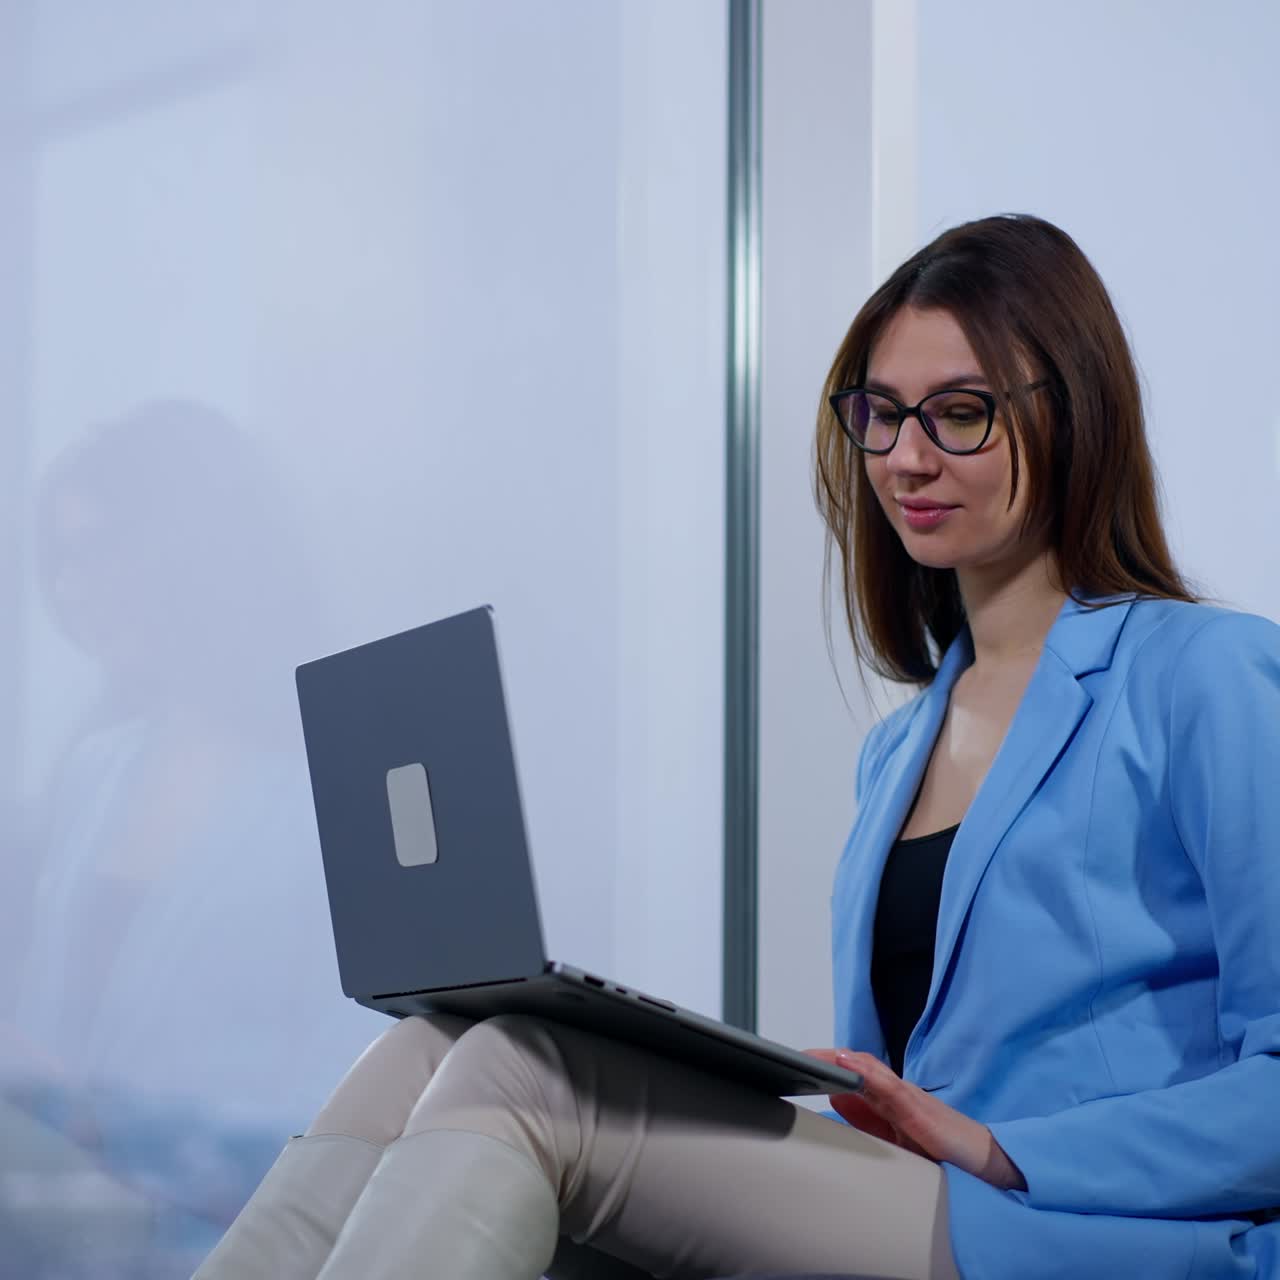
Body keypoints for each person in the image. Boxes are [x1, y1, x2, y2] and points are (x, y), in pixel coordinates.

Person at [191, 215, 1280, 1280]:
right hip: (911, 1196)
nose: (905, 457)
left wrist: (1001, 1146)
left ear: (1071, 416)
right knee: (424, 1051)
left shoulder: (1206, 677)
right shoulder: (897, 748)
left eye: (958, 413)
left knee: (523, 1074)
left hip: (1079, 1230)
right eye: (882, 415)